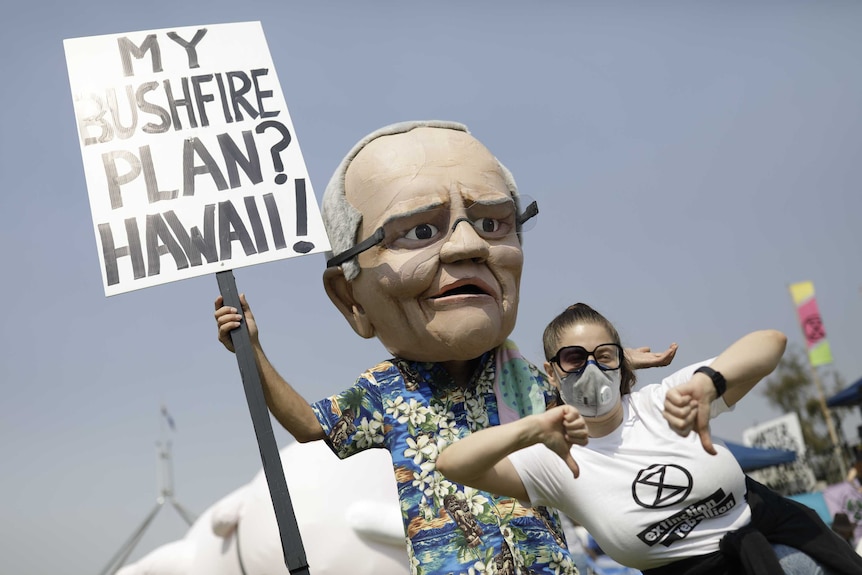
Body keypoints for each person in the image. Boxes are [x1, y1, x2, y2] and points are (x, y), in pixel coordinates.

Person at [214, 121, 676, 575]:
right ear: (350, 298)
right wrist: (252, 351)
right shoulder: (383, 392)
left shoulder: (523, 378)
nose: (468, 245)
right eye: (418, 232)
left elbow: (581, 393)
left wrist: (602, 359)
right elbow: (312, 425)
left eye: (492, 222)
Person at [436, 303, 862, 575]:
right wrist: (530, 429)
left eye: (603, 356)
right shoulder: (551, 458)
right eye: (573, 358)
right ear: (551, 371)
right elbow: (453, 463)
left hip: (784, 554)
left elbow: (771, 343)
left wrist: (711, 382)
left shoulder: (668, 399)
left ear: (620, 361)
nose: (591, 370)